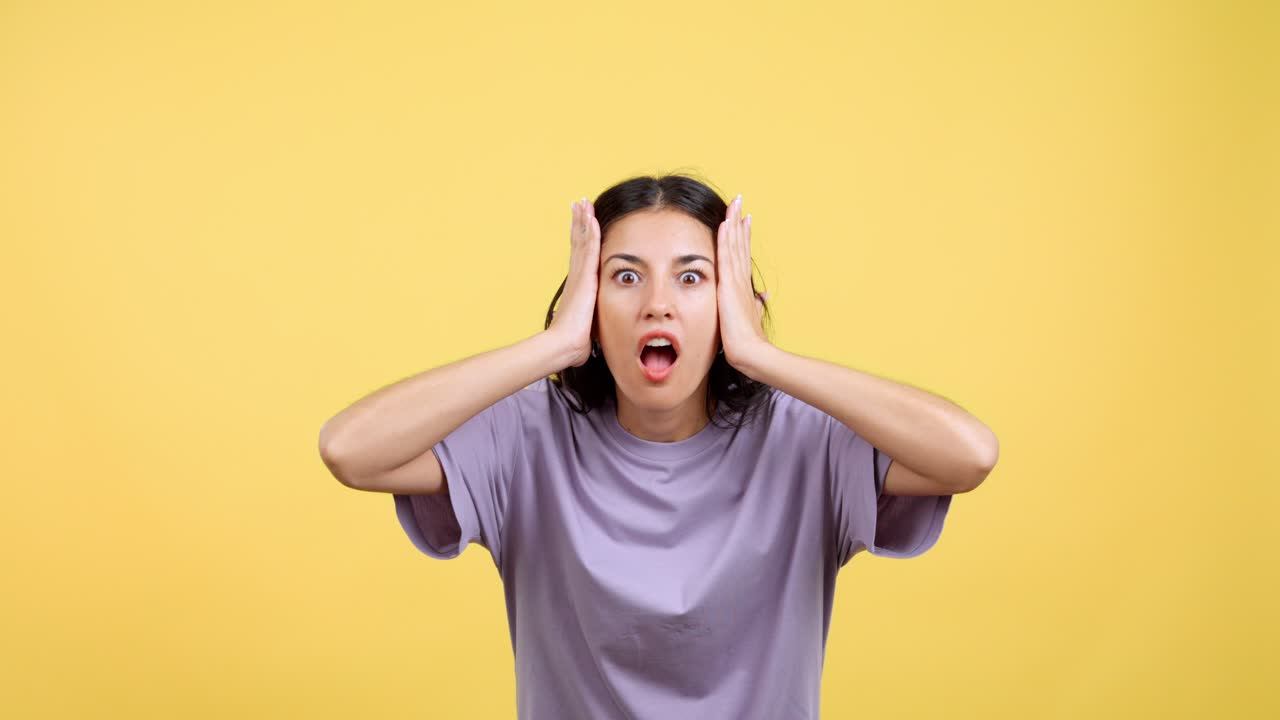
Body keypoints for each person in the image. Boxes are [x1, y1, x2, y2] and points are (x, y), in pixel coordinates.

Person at [319, 173, 995, 719]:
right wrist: (551, 346)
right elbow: (351, 449)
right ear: (587, 301)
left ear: (730, 303)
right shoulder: (524, 438)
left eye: (693, 277)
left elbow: (969, 454)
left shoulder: (803, 440)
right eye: (626, 276)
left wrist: (763, 356)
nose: (658, 304)